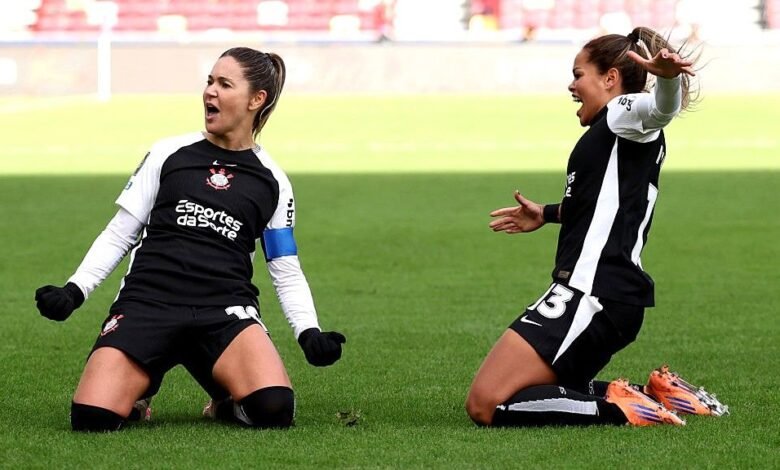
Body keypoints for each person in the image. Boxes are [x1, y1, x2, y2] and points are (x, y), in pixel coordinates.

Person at [34, 47, 346, 432]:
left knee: (274, 409)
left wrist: (308, 332)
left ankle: (223, 400)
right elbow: (121, 232)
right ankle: (141, 388)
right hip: (149, 303)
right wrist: (74, 290)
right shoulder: (169, 153)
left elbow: (284, 267)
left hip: (224, 311)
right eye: (209, 81)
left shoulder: (272, 180)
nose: (209, 92)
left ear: (256, 99)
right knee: (91, 419)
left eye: (224, 84)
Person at [465, 27, 728, 427]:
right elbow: (602, 207)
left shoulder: (624, 112)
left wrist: (669, 79)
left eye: (578, 74)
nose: (571, 85)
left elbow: (660, 110)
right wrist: (548, 213)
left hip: (592, 294)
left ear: (610, 79)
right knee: (525, 395)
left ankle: (625, 409)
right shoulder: (612, 135)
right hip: (601, 294)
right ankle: (657, 394)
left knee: (486, 405)